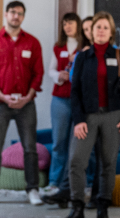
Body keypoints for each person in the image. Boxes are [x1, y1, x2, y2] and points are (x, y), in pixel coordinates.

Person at [67, 12, 120, 218]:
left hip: (113, 115)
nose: (101, 31)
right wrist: (78, 120)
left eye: (106, 27)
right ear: (91, 31)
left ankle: (102, 206)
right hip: (87, 116)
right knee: (76, 161)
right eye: (98, 27)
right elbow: (74, 92)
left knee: (108, 162)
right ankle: (77, 206)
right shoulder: (82, 57)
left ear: (111, 32)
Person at [0, 0, 46, 206]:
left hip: (26, 104)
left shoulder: (32, 43)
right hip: (0, 103)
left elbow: (38, 73)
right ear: (6, 14)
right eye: (13, 12)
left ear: (23, 17)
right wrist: (2, 96)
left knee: (30, 148)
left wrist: (28, 96)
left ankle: (32, 189)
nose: (16, 16)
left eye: (20, 13)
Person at [46, 13, 82, 196]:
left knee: (78, 143)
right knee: (59, 142)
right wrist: (58, 76)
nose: (68, 26)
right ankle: (54, 182)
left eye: (71, 23)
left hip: (79, 100)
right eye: (65, 23)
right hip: (60, 99)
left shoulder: (85, 47)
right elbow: (50, 70)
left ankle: (81, 182)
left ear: (78, 25)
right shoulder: (58, 46)